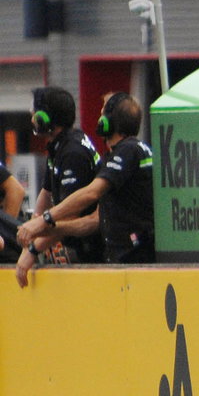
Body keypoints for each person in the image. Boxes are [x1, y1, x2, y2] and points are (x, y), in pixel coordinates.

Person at [15, 92, 154, 287]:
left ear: (107, 123)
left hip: (134, 261)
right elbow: (94, 221)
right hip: (122, 261)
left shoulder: (128, 151)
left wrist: (44, 223)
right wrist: (39, 232)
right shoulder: (121, 154)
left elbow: (91, 193)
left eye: (102, 113)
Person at [27, 86, 102, 265]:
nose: (31, 118)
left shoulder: (72, 153)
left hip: (89, 252)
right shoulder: (58, 146)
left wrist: (32, 250)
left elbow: (70, 215)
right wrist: (32, 227)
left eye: (35, 113)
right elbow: (46, 192)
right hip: (75, 245)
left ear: (44, 119)